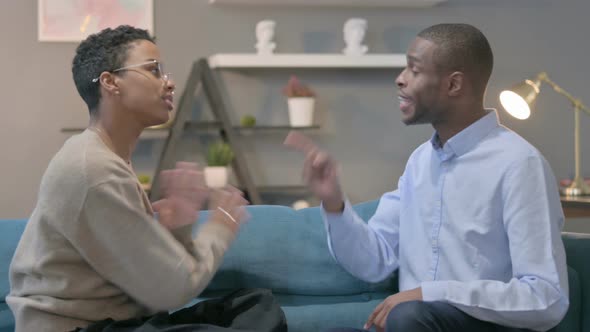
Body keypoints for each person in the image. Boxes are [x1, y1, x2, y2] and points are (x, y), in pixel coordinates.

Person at [284, 23, 569, 332]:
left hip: (477, 326)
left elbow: (545, 296)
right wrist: (334, 202)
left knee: (409, 316)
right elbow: (374, 261)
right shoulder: (420, 162)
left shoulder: (519, 164)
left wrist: (431, 293)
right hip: (413, 325)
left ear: (453, 85)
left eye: (414, 70)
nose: (400, 79)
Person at [7, 25, 286, 332]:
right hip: (79, 329)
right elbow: (175, 288)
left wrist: (177, 231)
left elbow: (155, 288)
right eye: (153, 71)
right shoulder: (93, 170)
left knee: (255, 306)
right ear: (111, 82)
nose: (169, 83)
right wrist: (219, 226)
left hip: (117, 323)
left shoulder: (105, 159)